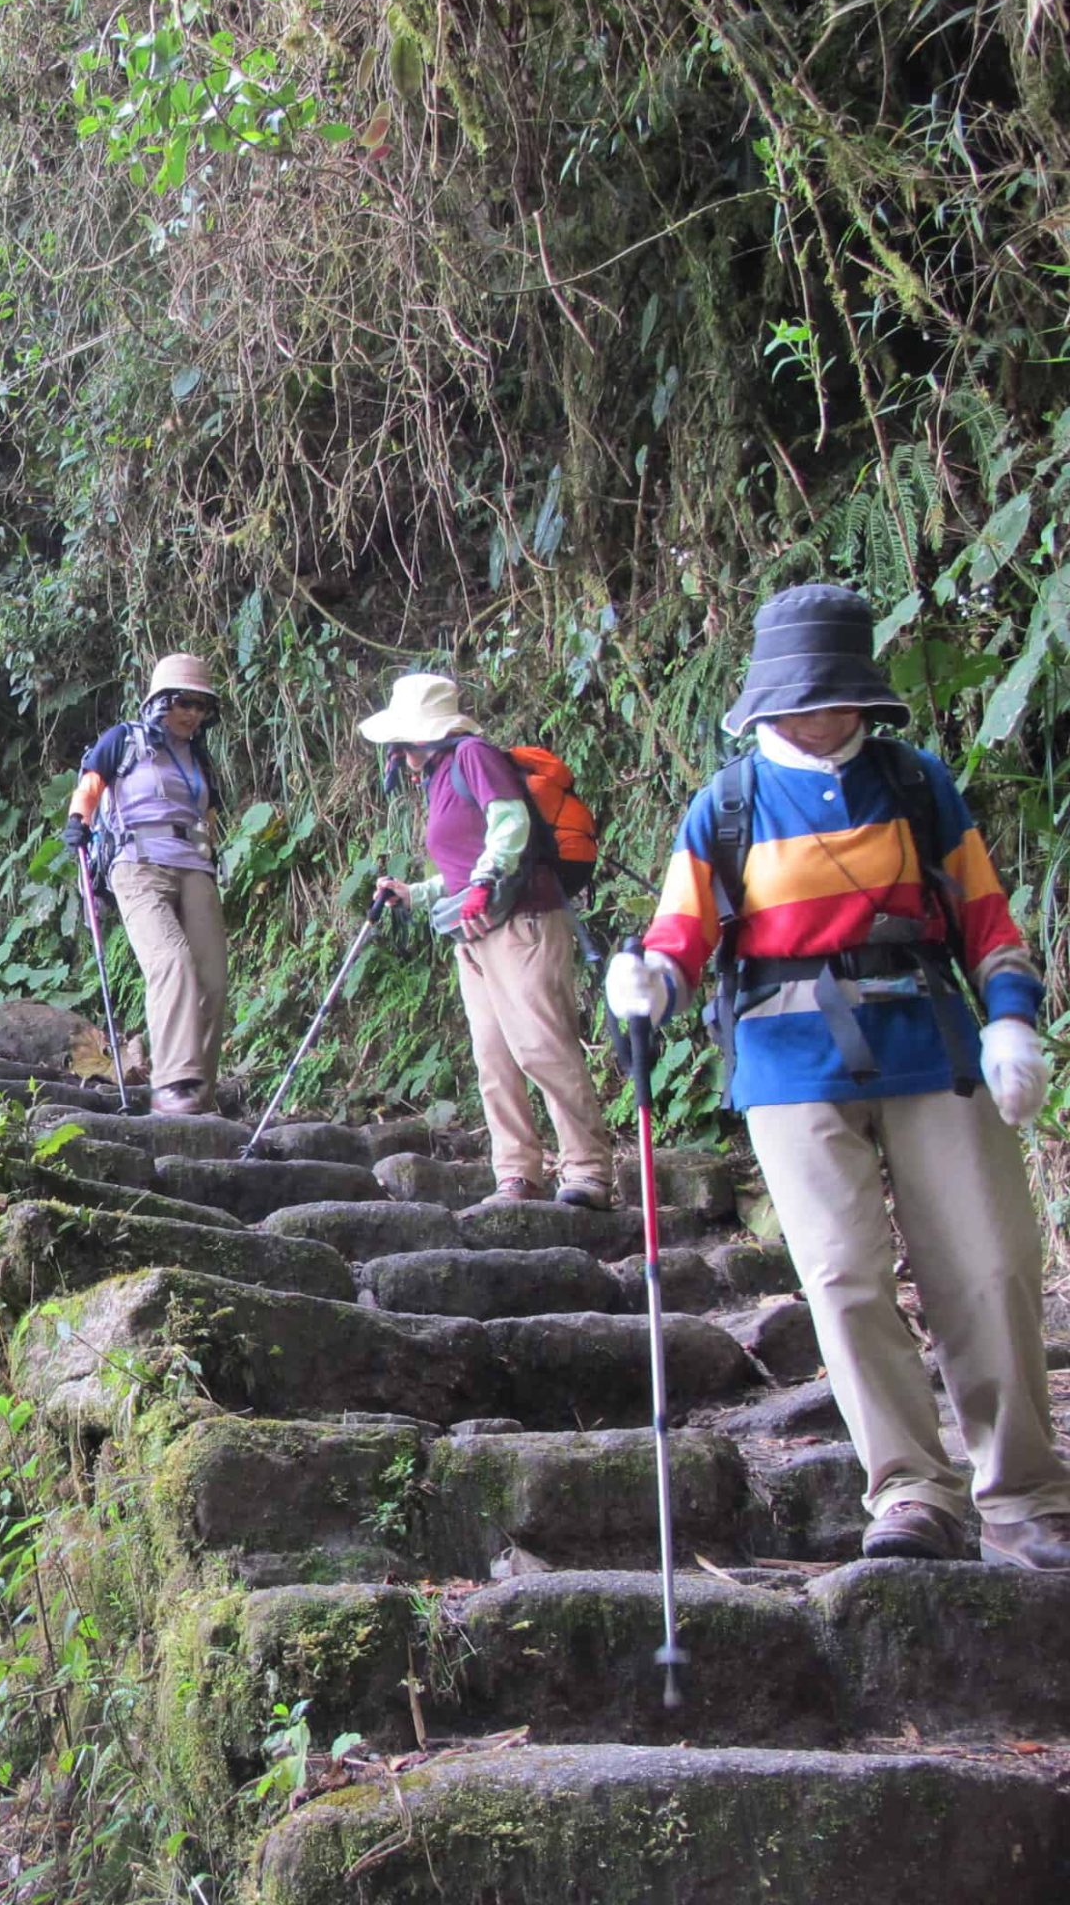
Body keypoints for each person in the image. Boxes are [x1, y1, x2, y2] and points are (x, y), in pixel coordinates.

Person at [607, 584, 1070, 1570]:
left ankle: (1025, 1496)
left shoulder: (914, 785)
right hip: (787, 1067)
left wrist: (1013, 1022)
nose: (818, 718)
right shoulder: (725, 806)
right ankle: (911, 1494)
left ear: (860, 697)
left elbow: (986, 921)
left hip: (931, 1046)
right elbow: (679, 941)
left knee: (988, 1269)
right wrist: (646, 980)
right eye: (799, 701)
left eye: (831, 698)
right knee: (842, 1279)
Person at [362, 672, 614, 1206]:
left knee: (542, 1047)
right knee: (494, 1058)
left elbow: (509, 824)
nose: (396, 755)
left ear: (415, 737)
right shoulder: (439, 776)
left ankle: (588, 1170)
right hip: (474, 933)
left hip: (521, 923)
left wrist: (481, 884)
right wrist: (419, 893)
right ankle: (517, 1174)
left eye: (399, 744)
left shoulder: (474, 754)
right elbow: (464, 864)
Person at [65, 655, 228, 1114]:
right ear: (160, 701)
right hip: (136, 863)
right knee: (170, 960)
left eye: (201, 706)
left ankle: (200, 1094)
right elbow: (92, 781)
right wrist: (79, 819)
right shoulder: (125, 740)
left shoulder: (198, 756)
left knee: (212, 980)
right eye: (183, 702)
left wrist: (212, 851)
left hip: (193, 865)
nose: (192, 713)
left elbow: (208, 812)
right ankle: (173, 1084)